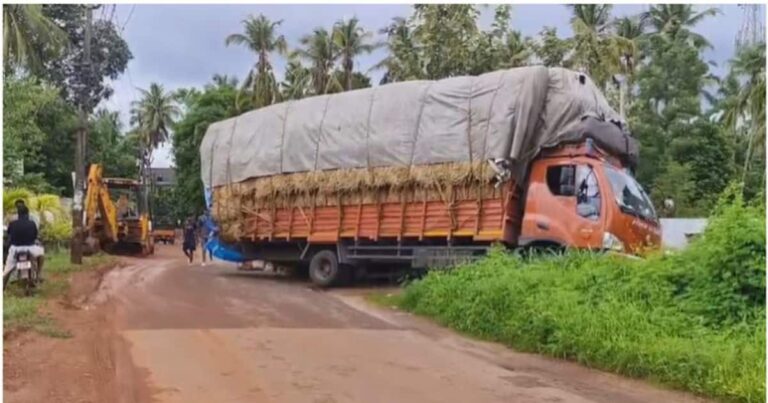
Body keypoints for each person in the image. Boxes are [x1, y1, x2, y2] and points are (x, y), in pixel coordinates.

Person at [4, 205, 45, 280]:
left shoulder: (12, 223)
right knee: (41, 255)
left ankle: (3, 286)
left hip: (15, 249)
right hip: (30, 248)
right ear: (28, 214)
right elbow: (35, 236)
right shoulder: (32, 223)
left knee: (7, 271)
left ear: (18, 214)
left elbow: (8, 234)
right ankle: (38, 274)